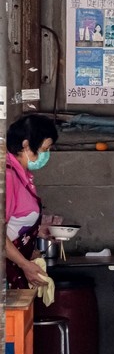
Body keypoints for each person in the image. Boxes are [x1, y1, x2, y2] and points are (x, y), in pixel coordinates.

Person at [5, 114, 59, 289]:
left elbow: (15, 222)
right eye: (45, 149)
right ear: (26, 145)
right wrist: (24, 264)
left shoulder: (22, 175)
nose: (46, 155)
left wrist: (37, 231)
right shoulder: (7, 177)